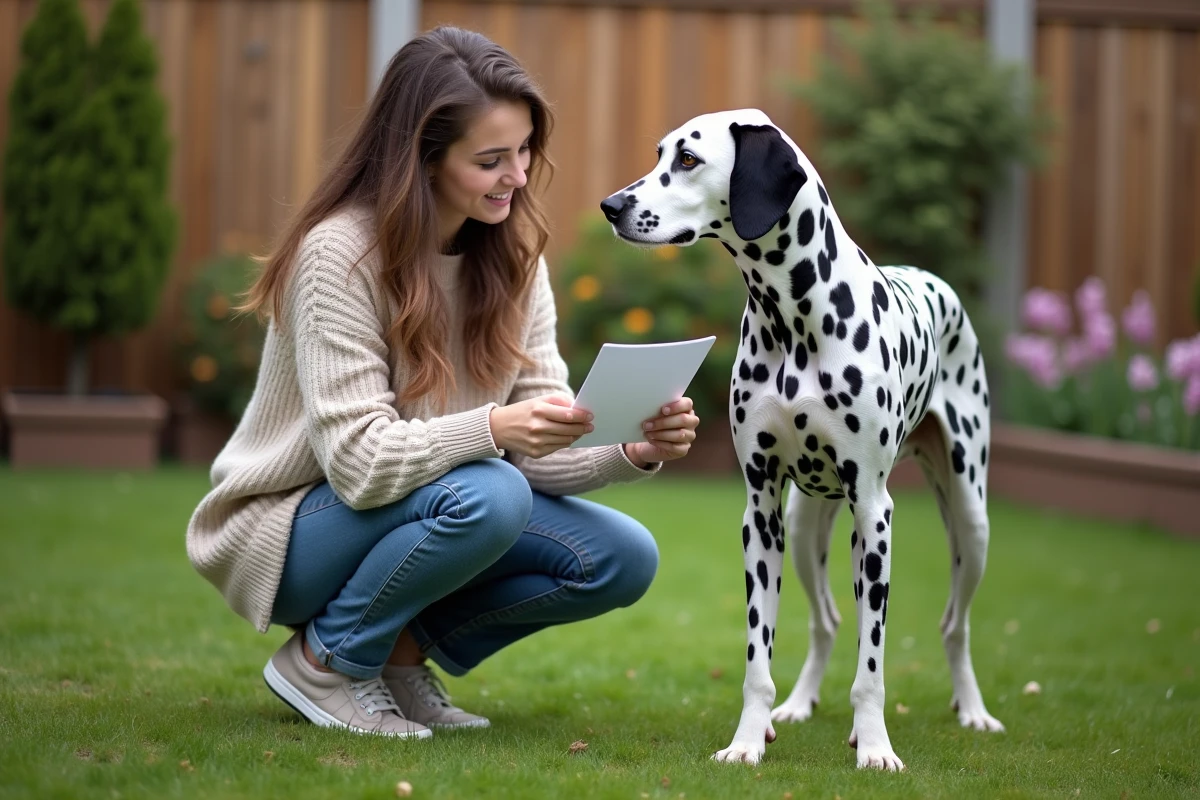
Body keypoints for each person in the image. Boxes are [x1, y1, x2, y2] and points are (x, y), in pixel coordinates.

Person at [185, 26, 700, 740]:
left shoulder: (516, 255)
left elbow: (536, 448)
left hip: (442, 503)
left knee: (619, 557)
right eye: (490, 160)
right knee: (491, 491)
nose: (518, 177)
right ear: (422, 159)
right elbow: (360, 466)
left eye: (524, 151)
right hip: (288, 530)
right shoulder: (339, 255)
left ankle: (397, 658)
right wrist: (494, 432)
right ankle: (324, 662)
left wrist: (633, 449)